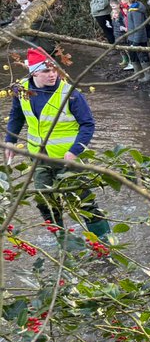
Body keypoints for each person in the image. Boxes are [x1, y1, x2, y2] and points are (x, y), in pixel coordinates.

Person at [4, 48, 111, 241]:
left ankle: (104, 241)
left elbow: (88, 124)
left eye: (54, 70)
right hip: (39, 157)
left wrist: (75, 150)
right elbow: (16, 117)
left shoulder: (70, 94)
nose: (52, 74)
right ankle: (62, 241)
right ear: (34, 72)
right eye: (46, 71)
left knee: (83, 202)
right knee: (45, 201)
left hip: (67, 158)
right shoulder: (20, 89)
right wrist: (10, 141)